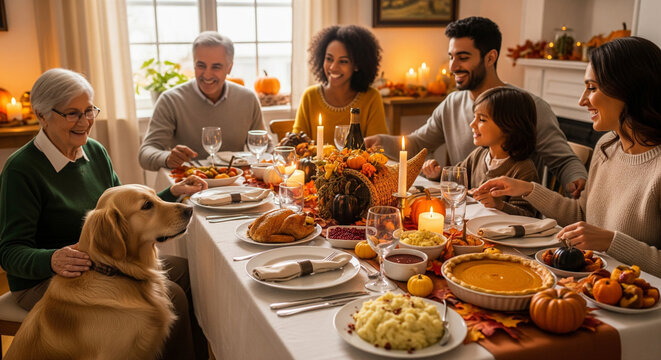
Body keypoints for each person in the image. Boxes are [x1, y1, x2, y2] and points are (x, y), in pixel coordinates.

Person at [0, 68, 209, 359]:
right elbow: (9, 252)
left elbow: (125, 212)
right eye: (72, 113)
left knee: (194, 273)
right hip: (48, 277)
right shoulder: (22, 169)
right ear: (41, 115)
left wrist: (171, 194)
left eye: (89, 110)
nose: (85, 122)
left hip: (107, 262)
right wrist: (53, 258)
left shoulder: (94, 152)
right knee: (171, 293)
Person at [475, 37, 661, 278]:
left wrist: (610, 241)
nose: (582, 100)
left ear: (629, 89)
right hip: (587, 280)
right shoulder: (607, 147)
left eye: (592, 88)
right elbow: (580, 216)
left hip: (636, 301)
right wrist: (526, 189)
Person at [365, 16, 587, 198]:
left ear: (490, 58)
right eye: (451, 57)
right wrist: (380, 142)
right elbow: (418, 144)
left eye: (462, 58)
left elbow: (564, 160)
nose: (453, 66)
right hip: (467, 209)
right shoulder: (453, 102)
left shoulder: (530, 106)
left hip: (510, 217)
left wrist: (576, 181)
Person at [139, 31, 269, 171]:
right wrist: (167, 157)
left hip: (237, 185)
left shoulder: (248, 99)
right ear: (194, 64)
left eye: (216, 67)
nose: (207, 75)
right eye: (201, 65)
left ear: (229, 67)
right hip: (188, 186)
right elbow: (145, 153)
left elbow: (266, 147)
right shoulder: (171, 100)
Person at [293, 25, 388, 145]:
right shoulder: (309, 96)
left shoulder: (371, 98)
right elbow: (296, 144)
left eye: (343, 61)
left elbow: (377, 150)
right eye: (329, 59)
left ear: (357, 65)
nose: (333, 67)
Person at [456, 86, 538, 217]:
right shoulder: (478, 155)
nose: (472, 124)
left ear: (509, 126)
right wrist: (436, 173)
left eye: (481, 119)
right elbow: (456, 177)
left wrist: (499, 205)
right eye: (474, 117)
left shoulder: (523, 169)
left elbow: (528, 216)